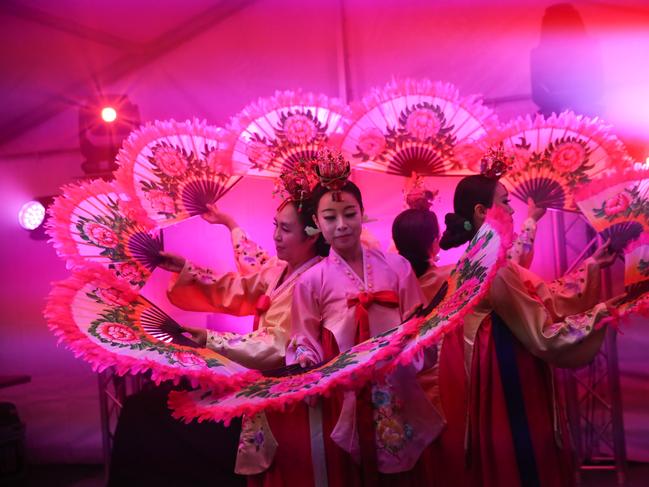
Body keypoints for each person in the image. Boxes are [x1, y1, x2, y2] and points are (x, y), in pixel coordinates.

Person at [257, 148, 441, 487]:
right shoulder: (312, 281)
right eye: (330, 217)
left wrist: (411, 351)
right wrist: (308, 364)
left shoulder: (396, 267)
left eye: (349, 214)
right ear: (316, 225)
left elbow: (421, 326)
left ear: (362, 215)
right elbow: (303, 341)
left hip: (397, 384)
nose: (341, 225)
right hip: (345, 394)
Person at [432, 170, 618, 487]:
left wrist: (590, 267)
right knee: (521, 447)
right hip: (506, 367)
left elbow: (535, 289)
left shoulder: (478, 256)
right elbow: (540, 333)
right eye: (505, 202)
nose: (512, 210)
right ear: (481, 211)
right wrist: (596, 318)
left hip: (494, 361)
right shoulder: (493, 265)